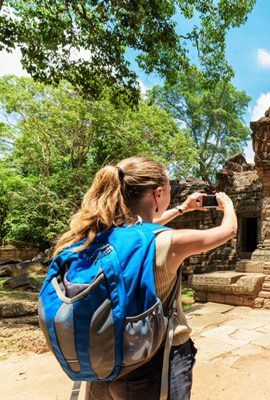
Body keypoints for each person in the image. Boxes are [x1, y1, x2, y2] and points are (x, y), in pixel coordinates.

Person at [52, 156, 237, 400]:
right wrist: (228, 205)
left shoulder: (89, 236)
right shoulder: (166, 242)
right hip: (154, 363)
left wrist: (183, 208)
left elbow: (140, 227)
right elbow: (228, 231)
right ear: (158, 193)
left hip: (102, 361)